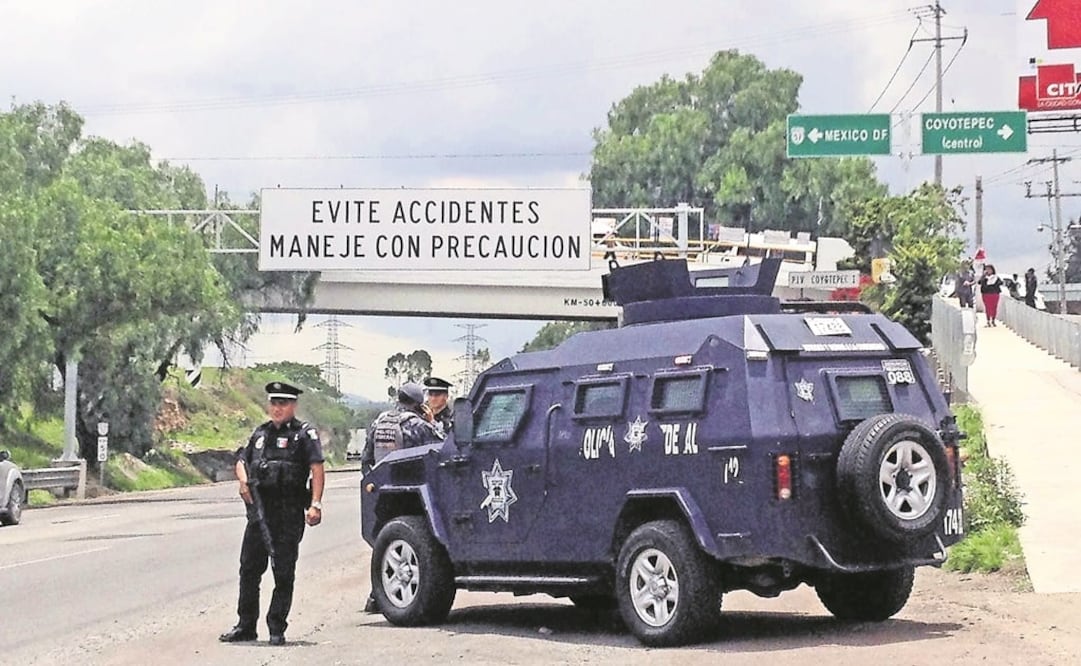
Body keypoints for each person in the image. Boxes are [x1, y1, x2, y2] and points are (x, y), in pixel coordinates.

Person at [220, 381, 325, 646]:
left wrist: (316, 504)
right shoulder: (260, 434)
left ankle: (276, 627)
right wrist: (243, 481)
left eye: (283, 403)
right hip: (260, 513)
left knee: (283, 573)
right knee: (249, 570)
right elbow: (242, 460)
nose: (277, 408)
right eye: (274, 403)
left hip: (288, 513)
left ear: (293, 406)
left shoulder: (304, 435)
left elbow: (316, 468)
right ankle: (246, 625)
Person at [361, 382, 443, 613]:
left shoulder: (380, 422)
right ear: (419, 403)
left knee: (387, 543)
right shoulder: (417, 425)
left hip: (384, 492)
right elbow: (444, 447)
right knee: (411, 545)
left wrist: (373, 482)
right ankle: (381, 595)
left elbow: (366, 458)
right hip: (413, 494)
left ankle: (377, 596)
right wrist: (432, 422)